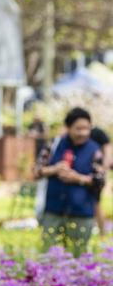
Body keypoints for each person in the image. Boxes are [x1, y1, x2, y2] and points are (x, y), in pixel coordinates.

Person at [36, 107, 103, 256]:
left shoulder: (94, 149)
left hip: (81, 212)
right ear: (68, 128)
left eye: (87, 128)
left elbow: (99, 180)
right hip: (53, 210)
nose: (83, 133)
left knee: (78, 259)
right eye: (78, 128)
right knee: (49, 256)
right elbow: (37, 171)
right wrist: (54, 169)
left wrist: (78, 178)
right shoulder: (55, 144)